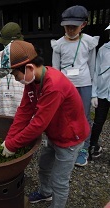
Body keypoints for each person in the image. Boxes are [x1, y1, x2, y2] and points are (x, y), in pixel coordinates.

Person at [0, 40, 90, 208]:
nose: (17, 80)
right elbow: (24, 111)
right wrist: (8, 140)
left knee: (59, 181)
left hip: (70, 138)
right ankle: (45, 193)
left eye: (16, 76)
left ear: (29, 68)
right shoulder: (33, 81)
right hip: (54, 133)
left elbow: (38, 124)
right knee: (44, 166)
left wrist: (12, 145)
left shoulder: (54, 85)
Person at [51, 5, 99, 166]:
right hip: (65, 85)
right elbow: (55, 70)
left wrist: (94, 93)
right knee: (64, 115)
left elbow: (93, 67)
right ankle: (66, 144)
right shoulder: (58, 44)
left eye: (74, 26)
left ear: (83, 25)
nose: (70, 30)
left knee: (84, 116)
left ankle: (84, 148)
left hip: (84, 83)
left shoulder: (89, 42)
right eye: (67, 26)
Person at [0, 22, 24, 116]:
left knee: (20, 116)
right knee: (3, 119)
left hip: (19, 91)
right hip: (3, 91)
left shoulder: (24, 54)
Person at [88, 25, 110, 160]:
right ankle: (92, 146)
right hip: (102, 93)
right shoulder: (103, 50)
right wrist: (94, 94)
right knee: (98, 122)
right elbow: (95, 72)